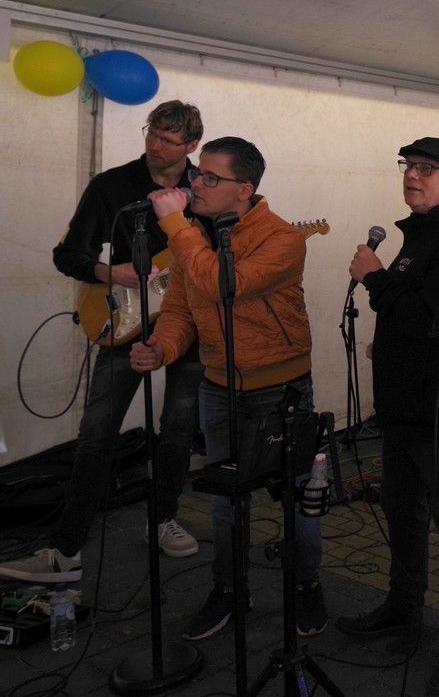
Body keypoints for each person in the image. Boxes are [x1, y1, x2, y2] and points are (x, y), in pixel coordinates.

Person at [127, 136, 327, 641]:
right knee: (224, 499)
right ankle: (230, 589)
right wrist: (162, 347)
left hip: (280, 388)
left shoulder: (283, 239)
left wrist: (175, 226)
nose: (196, 182)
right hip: (218, 388)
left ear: (244, 189)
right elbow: (180, 308)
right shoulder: (193, 237)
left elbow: (223, 284)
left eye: (211, 177)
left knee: (296, 494)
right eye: (198, 173)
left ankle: (305, 584)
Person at [0, 101, 205, 585]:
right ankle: (65, 546)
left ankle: (163, 518)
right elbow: (67, 254)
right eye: (151, 133)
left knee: (178, 429)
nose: (155, 145)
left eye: (168, 140)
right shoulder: (111, 186)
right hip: (122, 319)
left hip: (189, 324)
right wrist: (109, 272)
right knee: (97, 432)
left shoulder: (204, 190)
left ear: (191, 145)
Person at [338, 136, 439, 695]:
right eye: (409, 166)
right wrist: (388, 342)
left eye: (427, 168)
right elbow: (416, 317)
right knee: (402, 515)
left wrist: (375, 278)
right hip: (403, 416)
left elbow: (433, 320)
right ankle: (403, 609)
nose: (413, 175)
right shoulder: (419, 235)